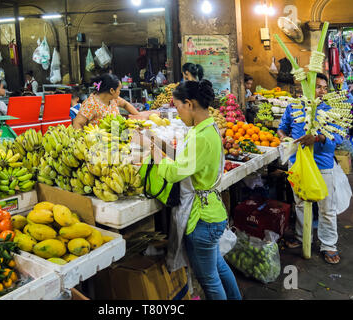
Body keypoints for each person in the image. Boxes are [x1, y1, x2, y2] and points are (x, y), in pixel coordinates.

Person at [134, 80, 242, 300]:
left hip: (202, 218)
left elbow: (175, 173)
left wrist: (153, 153)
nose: (177, 112)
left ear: (190, 104)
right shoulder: (207, 128)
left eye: (178, 106)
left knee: (209, 280)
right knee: (218, 267)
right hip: (212, 212)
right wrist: (158, 143)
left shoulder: (201, 137)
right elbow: (187, 160)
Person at [277, 73, 343, 264]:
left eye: (325, 88)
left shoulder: (331, 109)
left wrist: (318, 138)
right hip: (297, 163)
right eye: (318, 87)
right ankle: (301, 237)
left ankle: (329, 244)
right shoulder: (293, 107)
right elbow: (282, 128)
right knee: (300, 203)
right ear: (306, 87)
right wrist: (284, 138)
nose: (322, 91)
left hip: (322, 164)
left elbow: (339, 137)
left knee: (326, 207)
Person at [72, 73, 140, 129]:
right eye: (119, 90)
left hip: (116, 138)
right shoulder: (91, 104)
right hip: (99, 142)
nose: (119, 92)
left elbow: (125, 104)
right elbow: (77, 123)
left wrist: (139, 116)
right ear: (112, 90)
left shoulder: (114, 99)